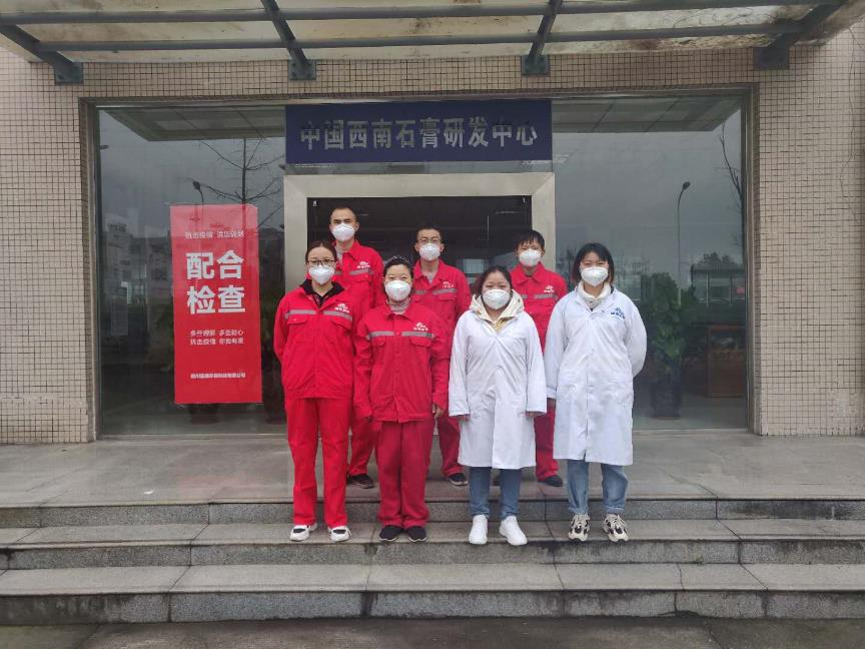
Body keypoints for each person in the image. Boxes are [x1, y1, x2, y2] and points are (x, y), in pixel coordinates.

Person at [545, 243, 647, 543]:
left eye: (599, 263)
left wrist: (617, 377)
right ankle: (579, 513)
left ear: (609, 268)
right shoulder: (565, 306)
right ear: (578, 268)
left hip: (611, 392)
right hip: (575, 391)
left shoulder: (623, 305)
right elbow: (554, 350)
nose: (593, 268)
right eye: (587, 263)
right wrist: (553, 389)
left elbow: (636, 350)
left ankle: (613, 512)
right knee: (576, 456)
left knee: (613, 453)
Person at [449, 266, 547, 547]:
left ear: (511, 288)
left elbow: (535, 363)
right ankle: (479, 516)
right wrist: (459, 402)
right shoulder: (467, 321)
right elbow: (458, 364)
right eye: (489, 285)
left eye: (501, 285)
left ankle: (509, 518)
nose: (495, 291)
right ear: (480, 289)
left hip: (515, 404)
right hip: (477, 402)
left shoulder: (524, 321)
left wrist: (534, 400)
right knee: (479, 461)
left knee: (511, 461)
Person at [354, 256, 449, 543]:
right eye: (392, 278)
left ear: (412, 282)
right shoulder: (370, 320)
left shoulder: (428, 319)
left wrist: (440, 395)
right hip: (382, 406)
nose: (398, 284)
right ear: (383, 282)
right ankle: (391, 517)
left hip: (418, 405)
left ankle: (415, 517)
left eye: (403, 278)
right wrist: (363, 403)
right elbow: (361, 366)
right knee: (387, 465)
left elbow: (441, 361)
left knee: (416, 465)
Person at [273, 240, 356, 543]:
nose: (321, 266)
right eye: (315, 261)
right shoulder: (290, 301)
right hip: (300, 389)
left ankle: (336, 519)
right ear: (307, 265)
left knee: (336, 453)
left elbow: (358, 348)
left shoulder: (349, 302)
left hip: (336, 388)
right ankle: (303, 517)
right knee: (302, 452)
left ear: (336, 265)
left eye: (326, 261)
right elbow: (281, 345)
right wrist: (296, 371)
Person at [328, 206, 385, 490]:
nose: (342, 225)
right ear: (330, 227)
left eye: (347, 221)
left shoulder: (370, 258)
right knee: (335, 416)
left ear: (356, 225)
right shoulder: (323, 258)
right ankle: (337, 468)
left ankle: (359, 467)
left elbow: (380, 299)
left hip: (364, 348)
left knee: (364, 414)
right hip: (333, 349)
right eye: (337, 221)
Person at [411, 224, 472, 487]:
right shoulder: (407, 278)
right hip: (415, 357)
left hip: (448, 356)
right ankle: (418, 466)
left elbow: (466, 316)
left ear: (442, 247)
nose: (429, 244)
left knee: (449, 417)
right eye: (424, 240)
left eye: (434, 240)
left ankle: (452, 466)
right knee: (418, 418)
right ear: (416, 247)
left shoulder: (455, 277)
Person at [511, 230, 568, 488]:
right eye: (524, 247)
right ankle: (510, 466)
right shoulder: (507, 282)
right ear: (517, 252)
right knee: (513, 414)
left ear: (542, 252)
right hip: (514, 360)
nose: (529, 252)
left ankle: (546, 468)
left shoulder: (555, 283)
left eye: (534, 247)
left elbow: (566, 320)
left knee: (545, 415)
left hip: (547, 359)